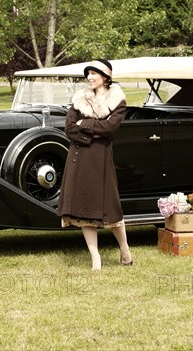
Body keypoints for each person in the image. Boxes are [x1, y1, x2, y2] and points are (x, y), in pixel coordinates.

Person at [57, 59, 132, 270]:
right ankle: (95, 258)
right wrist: (93, 131)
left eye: (94, 73)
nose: (89, 77)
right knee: (84, 210)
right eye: (88, 73)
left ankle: (125, 251)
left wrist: (85, 124)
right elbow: (70, 128)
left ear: (105, 77)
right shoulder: (79, 98)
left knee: (111, 208)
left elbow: (109, 128)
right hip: (79, 159)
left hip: (101, 159)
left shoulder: (117, 100)